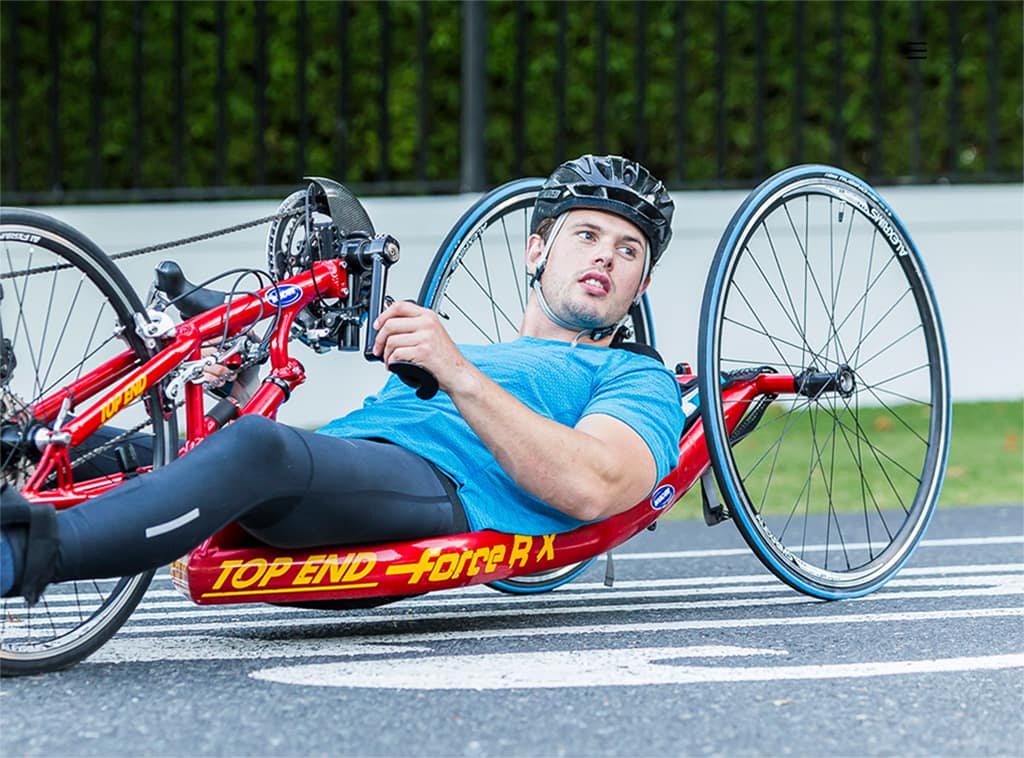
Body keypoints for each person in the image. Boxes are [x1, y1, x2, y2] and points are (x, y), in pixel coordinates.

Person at [0, 154, 685, 604]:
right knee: (120, 450)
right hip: (346, 474)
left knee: (258, 449)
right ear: (537, 250)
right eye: (587, 236)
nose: (606, 257)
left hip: (444, 493)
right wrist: (239, 394)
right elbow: (339, 454)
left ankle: (20, 557)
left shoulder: (632, 376)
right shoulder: (476, 350)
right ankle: (15, 443)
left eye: (628, 250)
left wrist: (456, 371)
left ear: (642, 282)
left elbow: (594, 487)